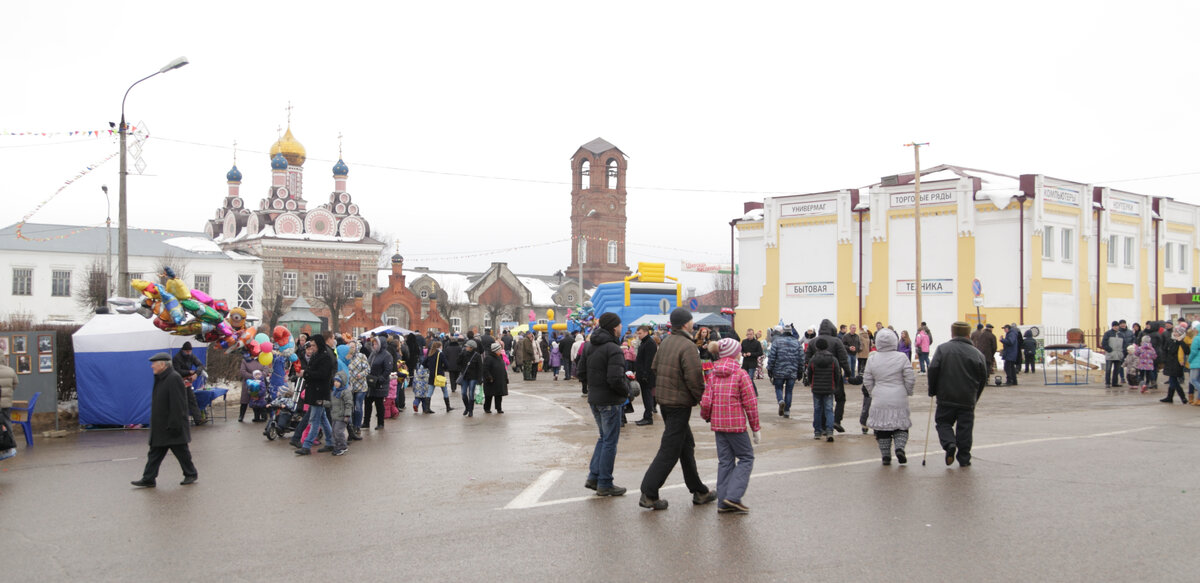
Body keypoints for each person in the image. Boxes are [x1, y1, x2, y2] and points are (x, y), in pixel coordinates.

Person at [638, 308, 716, 511]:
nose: (693, 323)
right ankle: (649, 492)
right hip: (678, 404)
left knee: (685, 446)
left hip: (665, 402)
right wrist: (705, 403)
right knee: (670, 449)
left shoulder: (665, 342)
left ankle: (699, 490)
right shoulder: (688, 346)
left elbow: (655, 367)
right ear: (685, 324)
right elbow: (695, 379)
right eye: (691, 321)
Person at [700, 338, 760, 513]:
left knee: (725, 461)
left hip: (718, 425)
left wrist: (707, 416)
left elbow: (706, 401)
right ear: (735, 354)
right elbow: (750, 403)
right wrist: (755, 428)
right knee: (746, 457)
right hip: (736, 425)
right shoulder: (741, 374)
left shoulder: (713, 374)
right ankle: (733, 497)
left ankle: (723, 502)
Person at [578, 312, 632, 497]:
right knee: (610, 441)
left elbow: (581, 372)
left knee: (603, 438)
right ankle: (605, 482)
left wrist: (593, 386)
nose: (621, 328)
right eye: (619, 325)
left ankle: (594, 477)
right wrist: (627, 391)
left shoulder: (589, 346)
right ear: (613, 327)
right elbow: (615, 379)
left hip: (595, 398)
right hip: (609, 400)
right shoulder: (614, 349)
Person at [131, 353, 198, 487]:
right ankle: (148, 478)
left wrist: (175, 424)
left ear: (162, 365)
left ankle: (191, 474)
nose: (152, 366)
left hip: (172, 425)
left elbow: (178, 404)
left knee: (181, 452)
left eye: (154, 364)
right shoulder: (161, 378)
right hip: (161, 426)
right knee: (155, 454)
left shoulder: (173, 378)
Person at [928, 321, 988, 467]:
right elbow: (983, 378)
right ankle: (964, 457)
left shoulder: (942, 349)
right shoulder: (977, 353)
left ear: (952, 333)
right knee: (965, 428)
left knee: (943, 422)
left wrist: (933, 390)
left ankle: (949, 444)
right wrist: (975, 396)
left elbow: (933, 369)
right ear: (968, 335)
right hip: (967, 398)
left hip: (946, 396)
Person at [863, 329, 915, 464]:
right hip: (899, 395)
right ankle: (899, 447)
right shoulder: (902, 357)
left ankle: (886, 455)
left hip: (879, 396)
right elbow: (910, 377)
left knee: (881, 427)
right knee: (900, 425)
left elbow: (867, 379)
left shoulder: (872, 358)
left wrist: (873, 391)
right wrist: (907, 391)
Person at [805, 319, 854, 433]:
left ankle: (822, 426)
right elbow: (843, 359)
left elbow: (807, 360)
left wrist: (809, 376)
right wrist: (848, 373)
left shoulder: (813, 342)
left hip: (817, 378)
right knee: (840, 399)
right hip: (834, 375)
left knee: (820, 402)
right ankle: (836, 420)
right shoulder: (837, 341)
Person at [297, 335, 335, 455]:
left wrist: (306, 373)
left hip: (320, 392)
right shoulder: (316, 356)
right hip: (314, 391)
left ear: (319, 344)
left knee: (314, 420)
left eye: (313, 345)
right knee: (322, 418)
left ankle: (307, 445)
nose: (311, 347)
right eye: (311, 345)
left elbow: (322, 374)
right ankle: (331, 442)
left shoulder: (325, 357)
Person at [766, 324, 802, 418]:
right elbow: (801, 358)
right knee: (789, 391)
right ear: (791, 332)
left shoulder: (777, 342)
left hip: (779, 370)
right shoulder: (796, 342)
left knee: (778, 388)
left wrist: (770, 369)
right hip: (792, 370)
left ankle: (781, 401)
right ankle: (787, 411)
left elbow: (772, 356)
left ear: (783, 331)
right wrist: (800, 371)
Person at [171, 341, 208, 426]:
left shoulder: (191, 356)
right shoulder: (177, 358)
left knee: (192, 399)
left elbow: (201, 366)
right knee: (181, 401)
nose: (189, 353)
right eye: (187, 351)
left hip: (187, 381)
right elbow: (177, 370)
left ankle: (198, 419)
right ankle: (180, 421)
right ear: (183, 350)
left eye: (190, 351)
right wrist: (189, 371)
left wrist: (196, 374)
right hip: (179, 381)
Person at [634, 325, 658, 426]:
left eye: (640, 333)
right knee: (645, 396)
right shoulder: (644, 342)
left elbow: (649, 361)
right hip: (643, 374)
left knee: (647, 396)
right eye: (637, 333)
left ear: (646, 332)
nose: (638, 335)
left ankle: (648, 417)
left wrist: (645, 374)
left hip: (647, 376)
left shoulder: (650, 343)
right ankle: (646, 416)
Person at [346, 340, 369, 440]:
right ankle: (351, 427)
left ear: (356, 347)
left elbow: (368, 369)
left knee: (358, 406)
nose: (352, 349)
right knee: (350, 407)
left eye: (353, 347)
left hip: (361, 386)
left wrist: (361, 374)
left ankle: (357, 426)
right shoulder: (347, 357)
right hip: (350, 386)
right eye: (350, 347)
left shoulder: (361, 356)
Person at [422, 341, 452, 413]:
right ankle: (448, 407)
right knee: (445, 391)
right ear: (439, 347)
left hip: (432, 375)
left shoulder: (430, 354)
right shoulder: (440, 354)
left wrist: (429, 367)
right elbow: (447, 365)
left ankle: (427, 408)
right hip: (440, 375)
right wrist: (443, 368)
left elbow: (423, 363)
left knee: (429, 392)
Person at [1161, 324, 1188, 404]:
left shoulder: (1182, 341)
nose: (1175, 333)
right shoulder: (1171, 339)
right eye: (1175, 331)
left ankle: (1183, 398)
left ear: (1180, 333)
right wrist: (1164, 359)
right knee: (1172, 380)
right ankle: (1170, 397)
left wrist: (1180, 342)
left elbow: (1187, 351)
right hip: (1170, 363)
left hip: (1177, 363)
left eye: (1177, 332)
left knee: (1173, 381)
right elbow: (1165, 349)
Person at [0, 347, 18, 461]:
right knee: (7, 423)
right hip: (6, 403)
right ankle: (10, 445)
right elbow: (15, 384)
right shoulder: (10, 370)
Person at [329, 371, 353, 455]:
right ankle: (337, 446)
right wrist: (323, 403)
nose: (336, 383)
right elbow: (331, 403)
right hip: (335, 416)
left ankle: (342, 446)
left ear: (342, 382)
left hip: (342, 416)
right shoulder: (334, 393)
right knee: (334, 432)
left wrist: (347, 415)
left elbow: (349, 404)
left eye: (338, 381)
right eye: (335, 381)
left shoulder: (346, 392)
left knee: (338, 431)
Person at [458, 340, 484, 416]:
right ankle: (467, 407)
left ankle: (471, 411)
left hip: (473, 377)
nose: (466, 347)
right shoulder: (463, 354)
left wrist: (480, 379)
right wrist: (460, 355)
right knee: (463, 394)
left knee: (471, 394)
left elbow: (480, 368)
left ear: (471, 347)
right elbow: (458, 363)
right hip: (465, 377)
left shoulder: (477, 356)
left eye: (467, 346)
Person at [482, 342, 508, 414]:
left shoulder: (500, 357)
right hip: (491, 380)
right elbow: (485, 369)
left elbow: (503, 368)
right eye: (499, 349)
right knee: (489, 395)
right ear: (495, 350)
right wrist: (489, 377)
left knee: (499, 395)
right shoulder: (488, 358)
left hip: (499, 379)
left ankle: (499, 408)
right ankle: (487, 408)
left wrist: (506, 377)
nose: (501, 350)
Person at [1101, 321, 1125, 388]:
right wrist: (1109, 350)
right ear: (1113, 326)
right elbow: (1103, 343)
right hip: (1110, 354)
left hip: (1118, 354)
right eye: (1115, 326)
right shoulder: (1108, 333)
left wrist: (1122, 352)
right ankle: (1107, 383)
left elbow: (1124, 344)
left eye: (1117, 326)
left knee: (1117, 370)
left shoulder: (1121, 334)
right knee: (1108, 369)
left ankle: (1115, 383)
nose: (1117, 327)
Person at [740, 328, 763, 396]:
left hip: (752, 363)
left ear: (753, 334)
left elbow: (760, 353)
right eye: (748, 334)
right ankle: (749, 392)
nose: (749, 336)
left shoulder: (757, 343)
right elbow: (741, 350)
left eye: (750, 334)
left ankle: (754, 393)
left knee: (750, 378)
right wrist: (743, 354)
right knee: (744, 379)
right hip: (745, 363)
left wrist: (751, 354)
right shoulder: (744, 341)